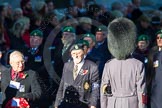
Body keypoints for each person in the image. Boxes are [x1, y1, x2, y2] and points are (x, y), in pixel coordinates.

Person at [100, 17, 147, 108]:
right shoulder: (138, 65)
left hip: (112, 103)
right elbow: (142, 92)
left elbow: (104, 91)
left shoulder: (109, 65)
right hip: (132, 104)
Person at [54, 43, 100, 108]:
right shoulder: (67, 65)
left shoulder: (92, 66)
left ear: (83, 53)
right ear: (71, 55)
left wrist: (93, 104)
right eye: (74, 53)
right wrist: (57, 104)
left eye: (78, 53)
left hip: (83, 104)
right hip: (66, 103)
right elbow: (62, 85)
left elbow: (95, 87)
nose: (76, 56)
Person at [147, 29, 162, 108]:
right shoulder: (153, 52)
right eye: (158, 38)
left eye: (161, 37)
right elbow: (149, 71)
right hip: (155, 90)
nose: (159, 39)